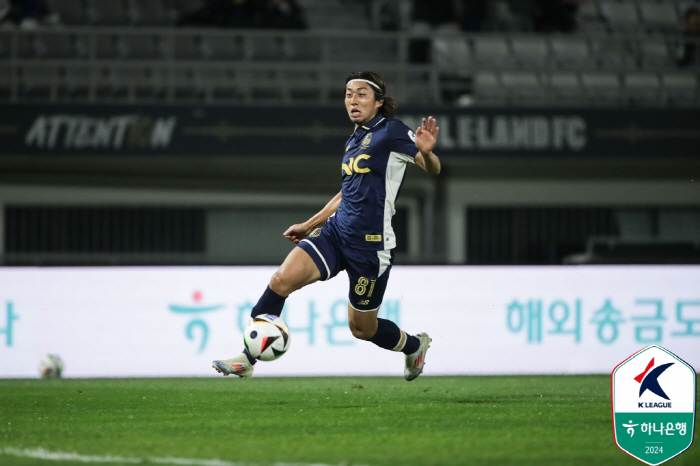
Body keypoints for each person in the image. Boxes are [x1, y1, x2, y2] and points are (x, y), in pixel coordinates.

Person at [213, 71, 441, 381]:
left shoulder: (392, 131)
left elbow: (434, 168)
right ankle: (248, 357)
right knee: (281, 281)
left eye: (361, 94)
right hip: (335, 235)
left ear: (379, 102)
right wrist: (310, 225)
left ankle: (414, 345)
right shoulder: (354, 139)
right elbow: (345, 194)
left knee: (363, 329)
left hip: (371, 248)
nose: (353, 100)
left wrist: (426, 154)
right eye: (348, 94)